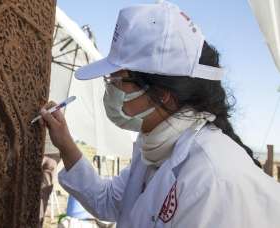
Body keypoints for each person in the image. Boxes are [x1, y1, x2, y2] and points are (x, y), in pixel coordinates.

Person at [40, 1, 280, 227]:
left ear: (163, 94)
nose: (111, 87)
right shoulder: (156, 149)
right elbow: (109, 201)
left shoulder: (213, 182)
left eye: (117, 79)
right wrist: (64, 141)